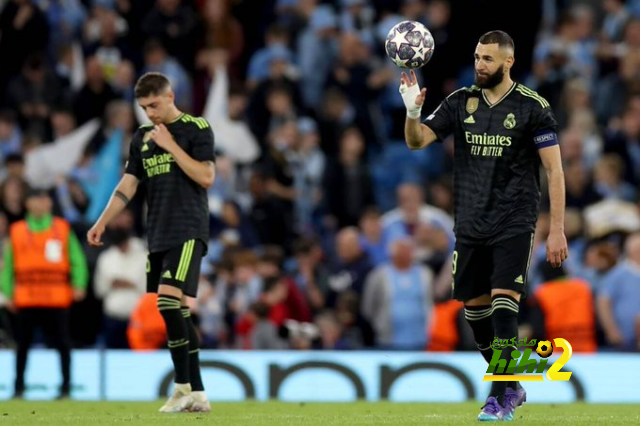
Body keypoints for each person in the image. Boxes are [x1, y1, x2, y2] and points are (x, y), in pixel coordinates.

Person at [399, 30, 568, 421]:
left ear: (508, 62)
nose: (479, 65)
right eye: (477, 57)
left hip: (514, 220)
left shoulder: (532, 107)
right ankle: (511, 382)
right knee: (475, 314)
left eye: (488, 59)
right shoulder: (461, 102)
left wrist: (556, 228)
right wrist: (411, 113)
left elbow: (554, 170)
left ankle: (498, 398)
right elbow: (417, 141)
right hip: (471, 221)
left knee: (503, 305)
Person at [87, 72, 216, 413]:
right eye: (144, 108)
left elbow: (206, 176)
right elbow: (128, 185)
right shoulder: (142, 137)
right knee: (180, 312)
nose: (150, 114)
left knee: (167, 304)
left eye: (155, 105)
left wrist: (171, 145)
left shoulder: (196, 128)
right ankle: (199, 394)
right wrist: (101, 221)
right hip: (156, 233)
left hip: (188, 228)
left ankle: (182, 386)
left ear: (170, 96)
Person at [1, 188, 88, 399]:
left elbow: (76, 259)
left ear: (49, 204)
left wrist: (79, 284)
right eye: (35, 200)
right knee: (22, 346)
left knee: (62, 344)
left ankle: (66, 387)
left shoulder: (62, 228)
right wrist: (7, 293)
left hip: (56, 297)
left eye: (44, 200)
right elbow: (8, 267)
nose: (40, 204)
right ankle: (18, 387)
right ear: (27, 204)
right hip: (26, 298)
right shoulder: (17, 230)